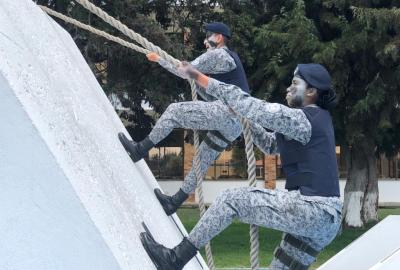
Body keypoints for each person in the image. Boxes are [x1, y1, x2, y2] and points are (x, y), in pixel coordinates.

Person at [140, 63, 342, 270]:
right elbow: (270, 145)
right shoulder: (311, 121)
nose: (288, 88)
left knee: (231, 200)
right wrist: (241, 116)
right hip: (325, 219)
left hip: (314, 210)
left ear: (311, 91)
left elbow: (255, 107)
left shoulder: (302, 119)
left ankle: (175, 259)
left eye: (295, 83)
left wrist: (200, 77)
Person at [118, 22, 258, 216]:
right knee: (202, 159)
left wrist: (160, 59)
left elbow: (185, 71)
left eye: (207, 36)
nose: (204, 40)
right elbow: (206, 88)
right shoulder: (230, 59)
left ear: (218, 37)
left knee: (174, 111)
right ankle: (174, 203)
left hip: (227, 112)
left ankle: (140, 150)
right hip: (236, 123)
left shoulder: (218, 54)